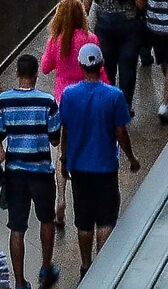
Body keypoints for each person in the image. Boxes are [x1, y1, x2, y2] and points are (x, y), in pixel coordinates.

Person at [58, 43, 138, 272]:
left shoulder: (69, 95)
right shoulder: (114, 95)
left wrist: (64, 159)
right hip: (105, 166)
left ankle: (85, 265)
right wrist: (131, 158)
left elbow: (66, 131)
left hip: (79, 167)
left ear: (80, 65)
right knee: (106, 218)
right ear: (102, 64)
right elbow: (121, 132)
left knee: (84, 220)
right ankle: (101, 268)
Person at [0, 53, 62, 289]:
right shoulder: (48, 102)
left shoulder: (3, 101)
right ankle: (46, 267)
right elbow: (55, 139)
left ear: (18, 73)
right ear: (36, 74)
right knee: (46, 220)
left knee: (17, 228)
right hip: (41, 173)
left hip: (15, 174)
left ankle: (19, 284)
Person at [84, 0, 148, 104]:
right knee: (128, 68)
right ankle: (125, 106)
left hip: (104, 26)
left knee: (107, 67)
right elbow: (141, 4)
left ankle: (108, 103)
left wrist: (83, 24)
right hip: (130, 27)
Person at [39, 0, 100, 100]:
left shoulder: (54, 40)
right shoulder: (91, 39)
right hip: (87, 95)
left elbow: (45, 68)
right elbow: (99, 66)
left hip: (63, 95)